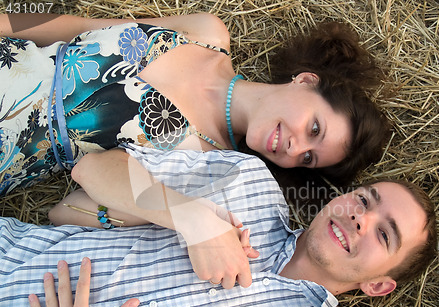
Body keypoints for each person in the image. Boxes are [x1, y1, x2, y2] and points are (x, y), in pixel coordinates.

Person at [0, 145, 437, 307]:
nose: (361, 219)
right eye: (365, 199)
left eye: (384, 234)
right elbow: (93, 169)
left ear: (378, 285)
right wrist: (188, 216)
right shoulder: (249, 182)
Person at [0, 12, 389, 196]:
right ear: (305, 81)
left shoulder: (207, 166)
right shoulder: (207, 33)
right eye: (314, 128)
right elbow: (81, 28)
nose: (296, 147)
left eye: (309, 158)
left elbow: (91, 189)